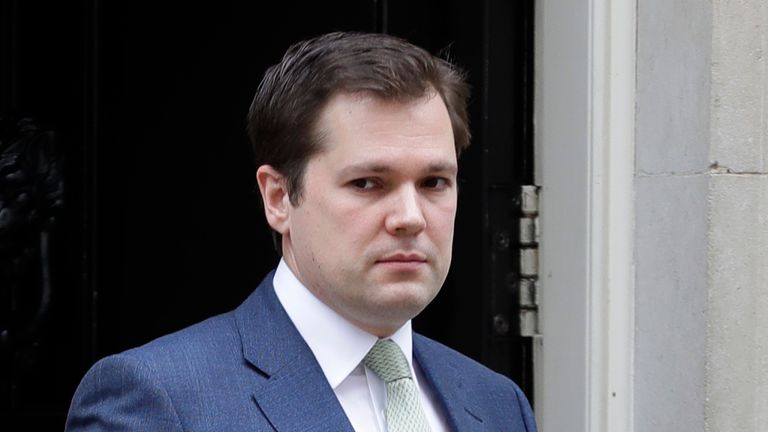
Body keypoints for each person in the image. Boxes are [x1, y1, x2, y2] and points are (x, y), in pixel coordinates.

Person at [65, 31, 537, 432]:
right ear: (278, 198)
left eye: (434, 182)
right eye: (368, 183)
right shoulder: (159, 399)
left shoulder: (497, 405)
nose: (410, 216)